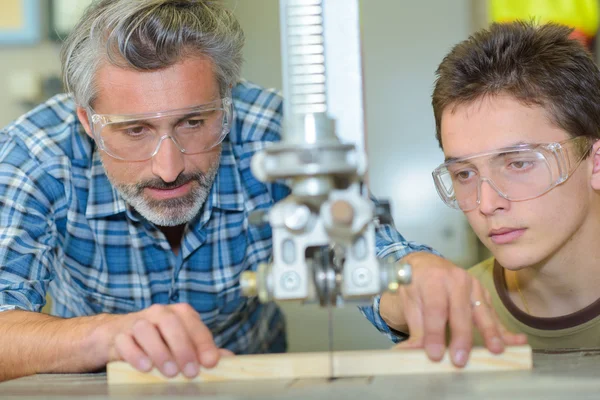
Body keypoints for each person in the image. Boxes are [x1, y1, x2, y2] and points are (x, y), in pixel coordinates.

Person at [0, 0, 523, 382]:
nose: (168, 167)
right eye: (134, 130)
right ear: (87, 122)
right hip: (101, 383)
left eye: (194, 122)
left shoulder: (273, 132)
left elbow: (362, 253)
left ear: (227, 102)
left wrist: (413, 282)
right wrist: (108, 336)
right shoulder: (34, 157)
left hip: (253, 379)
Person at [430, 20, 600, 349]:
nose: (487, 203)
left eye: (518, 163)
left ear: (595, 162)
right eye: (464, 174)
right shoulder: (454, 322)